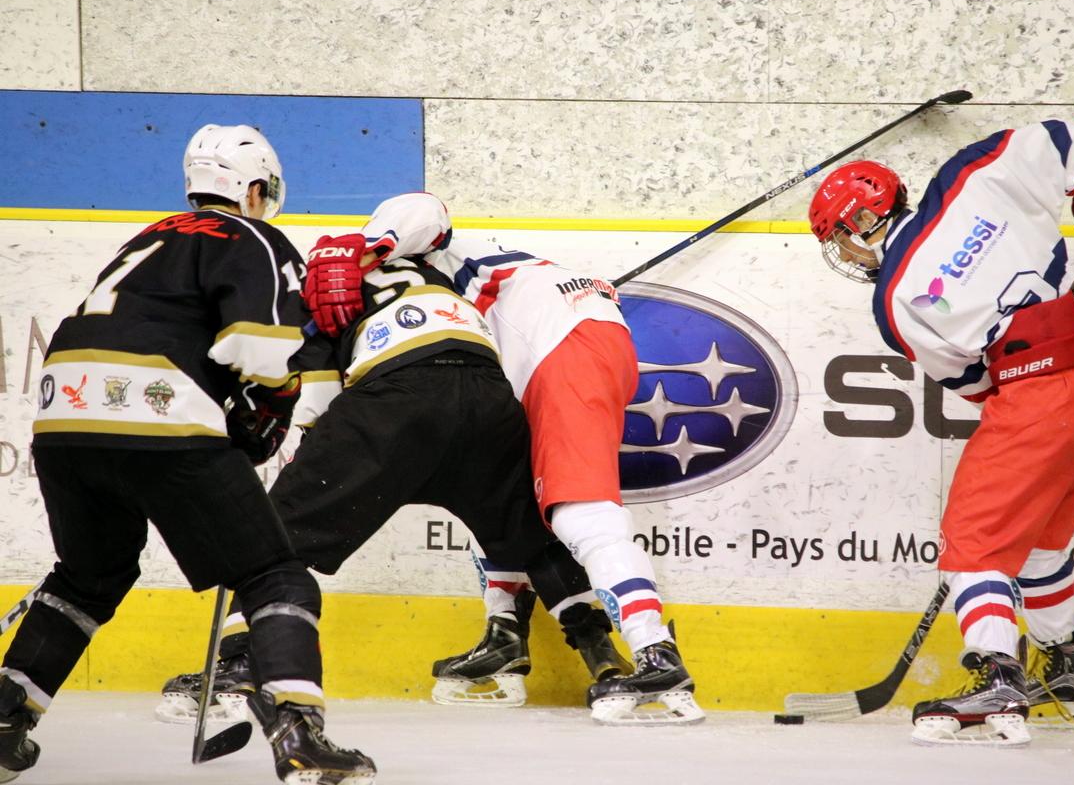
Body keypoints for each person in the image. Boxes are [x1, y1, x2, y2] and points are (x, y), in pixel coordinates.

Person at [0, 124, 375, 784]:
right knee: (275, 576)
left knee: (86, 578)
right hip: (159, 413)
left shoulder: (148, 238)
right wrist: (267, 410)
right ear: (253, 189)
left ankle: (5, 720)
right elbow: (259, 348)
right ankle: (299, 733)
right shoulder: (252, 237)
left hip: (63, 420)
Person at [156, 224, 631, 721]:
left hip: (394, 400)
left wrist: (308, 461)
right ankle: (602, 657)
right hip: (488, 397)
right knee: (534, 541)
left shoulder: (321, 289)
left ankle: (237, 667)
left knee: (273, 540)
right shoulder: (436, 273)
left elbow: (318, 400)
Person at [807, 119, 1074, 746]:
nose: (846, 254)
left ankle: (997, 674)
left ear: (861, 222)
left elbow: (977, 385)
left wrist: (1031, 398)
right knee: (1042, 539)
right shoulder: (972, 173)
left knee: (974, 543)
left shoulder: (895, 302)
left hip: (1039, 394)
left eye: (840, 237)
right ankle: (1069, 670)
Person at [305, 193, 705, 725]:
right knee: (492, 488)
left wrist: (362, 247)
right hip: (558, 344)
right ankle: (505, 631)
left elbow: (424, 208)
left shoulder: (420, 256)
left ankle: (656, 652)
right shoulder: (451, 294)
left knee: (580, 511)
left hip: (558, 341)